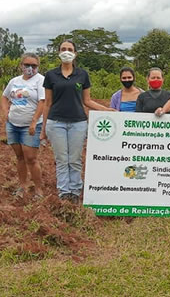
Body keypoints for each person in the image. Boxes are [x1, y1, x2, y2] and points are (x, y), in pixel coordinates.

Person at [40, 40, 115, 203]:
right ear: (58, 52)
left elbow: (87, 101)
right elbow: (47, 102)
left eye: (70, 49)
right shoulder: (51, 75)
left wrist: (106, 110)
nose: (66, 51)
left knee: (74, 159)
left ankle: (75, 191)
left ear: (75, 53)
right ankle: (63, 192)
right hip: (56, 122)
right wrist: (43, 129)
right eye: (63, 49)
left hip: (78, 123)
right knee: (61, 159)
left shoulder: (82, 74)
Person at [1, 53, 45, 199]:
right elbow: (5, 96)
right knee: (19, 157)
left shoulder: (40, 81)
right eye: (27, 65)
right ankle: (22, 187)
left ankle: (38, 190)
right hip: (13, 124)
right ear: (21, 65)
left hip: (31, 126)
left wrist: (34, 122)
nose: (30, 68)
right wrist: (5, 112)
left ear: (38, 67)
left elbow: (42, 102)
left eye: (34, 65)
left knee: (31, 158)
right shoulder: (14, 81)